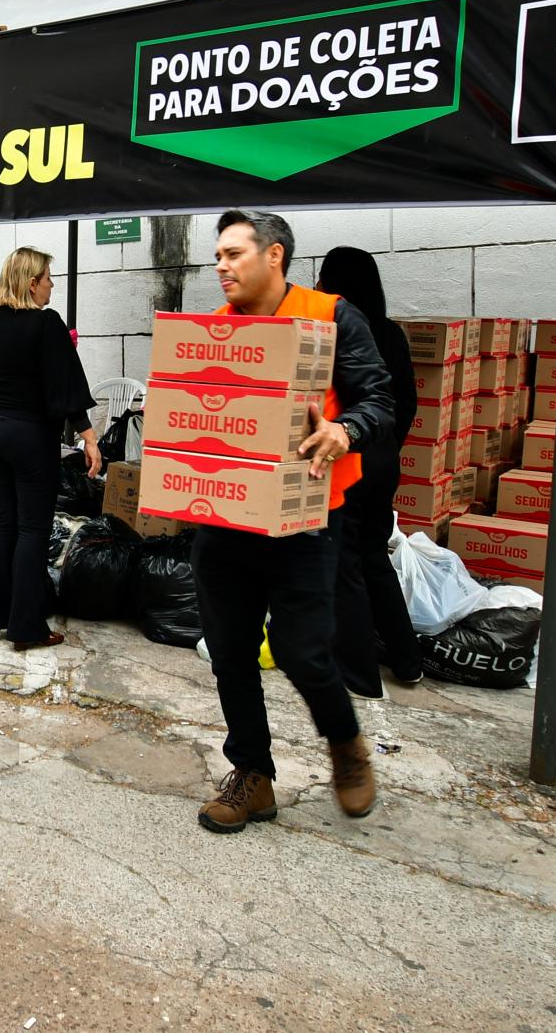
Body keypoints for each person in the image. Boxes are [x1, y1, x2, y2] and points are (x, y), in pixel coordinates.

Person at [193, 210, 395, 834]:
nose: (220, 266)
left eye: (233, 254)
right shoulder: (213, 333)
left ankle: (345, 743)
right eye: (218, 255)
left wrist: (344, 430)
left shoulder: (331, 315)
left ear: (274, 255)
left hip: (305, 518)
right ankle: (253, 775)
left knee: (304, 652)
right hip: (225, 516)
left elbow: (379, 400)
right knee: (229, 652)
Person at [0, 248, 98, 652]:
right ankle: (28, 627)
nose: (52, 284)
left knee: (3, 524)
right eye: (48, 277)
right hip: (29, 435)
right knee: (32, 529)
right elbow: (66, 385)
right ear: (31, 282)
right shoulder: (46, 324)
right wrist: (89, 438)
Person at [317, 246, 425, 697]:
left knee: (346, 564)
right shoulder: (391, 333)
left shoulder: (332, 332)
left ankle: (358, 674)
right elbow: (407, 403)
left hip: (348, 458)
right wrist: (387, 447)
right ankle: (407, 660)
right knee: (374, 557)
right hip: (383, 459)